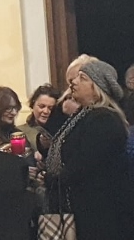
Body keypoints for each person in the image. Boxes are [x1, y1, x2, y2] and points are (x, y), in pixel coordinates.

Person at [44, 54, 134, 239]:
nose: (74, 82)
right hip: (84, 208)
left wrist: (52, 178)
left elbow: (83, 164)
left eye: (82, 78)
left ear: (97, 88)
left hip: (100, 214)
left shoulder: (104, 120)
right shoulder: (84, 114)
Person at [17, 84, 60, 150]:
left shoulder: (60, 131)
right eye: (41, 106)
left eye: (50, 108)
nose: (46, 111)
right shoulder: (20, 132)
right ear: (33, 104)